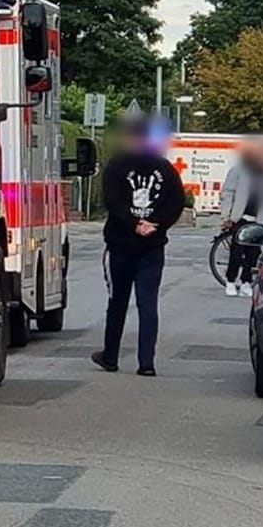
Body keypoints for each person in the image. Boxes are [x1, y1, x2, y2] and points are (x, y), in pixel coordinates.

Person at [93, 114, 186, 377]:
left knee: (117, 302)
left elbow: (112, 202)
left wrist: (134, 223)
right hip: (152, 248)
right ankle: (147, 363)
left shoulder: (116, 166)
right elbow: (176, 203)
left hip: (120, 245)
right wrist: (156, 224)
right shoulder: (165, 169)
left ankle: (110, 356)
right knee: (148, 304)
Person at [219, 140, 263, 298]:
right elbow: (227, 193)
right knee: (237, 251)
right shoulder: (239, 171)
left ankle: (247, 281)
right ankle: (231, 281)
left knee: (253, 253)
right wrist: (226, 216)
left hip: (257, 218)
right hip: (239, 217)